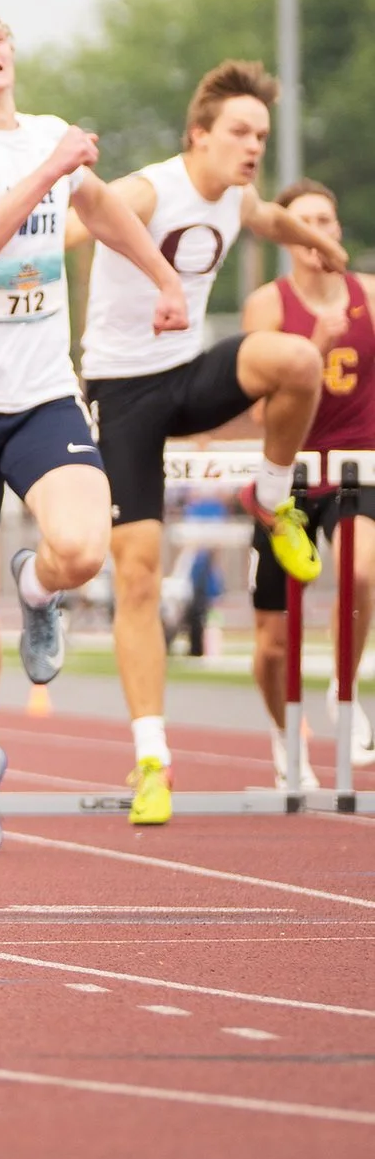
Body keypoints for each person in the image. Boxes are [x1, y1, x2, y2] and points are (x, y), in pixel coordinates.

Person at [0, 6, 187, 855]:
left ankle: (42, 589)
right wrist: (49, 172)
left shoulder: (52, 135)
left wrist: (164, 277)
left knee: (85, 547)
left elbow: (99, 209)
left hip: (39, 396)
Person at [70, 61, 340, 823]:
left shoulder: (238, 193)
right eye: (239, 133)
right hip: (124, 395)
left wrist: (326, 251)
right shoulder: (152, 189)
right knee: (139, 575)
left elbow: (269, 219)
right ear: (200, 136)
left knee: (295, 359)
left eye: (261, 134)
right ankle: (153, 757)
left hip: (186, 375)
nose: (253, 146)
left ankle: (273, 497)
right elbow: (80, 217)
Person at [239, 177, 375, 787]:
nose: (319, 231)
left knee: (362, 572)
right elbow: (262, 413)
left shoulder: (368, 296)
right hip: (288, 476)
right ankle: (284, 735)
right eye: (306, 222)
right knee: (271, 643)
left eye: (328, 219)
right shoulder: (270, 304)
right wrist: (310, 353)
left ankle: (345, 696)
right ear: (288, 237)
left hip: (357, 472)